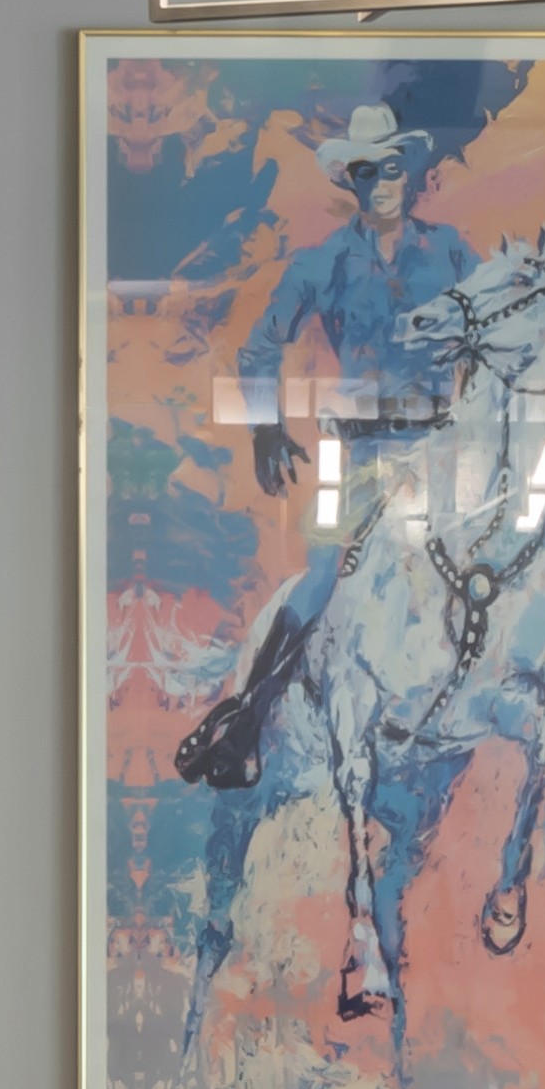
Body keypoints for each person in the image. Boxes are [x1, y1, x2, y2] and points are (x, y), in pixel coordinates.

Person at [175, 104, 473, 786]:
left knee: (508, 552)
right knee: (323, 573)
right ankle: (247, 721)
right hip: (355, 451)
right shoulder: (324, 262)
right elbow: (259, 346)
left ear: (408, 172)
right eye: (367, 172)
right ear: (352, 180)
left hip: (443, 448)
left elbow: (500, 321)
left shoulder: (453, 252)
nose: (382, 183)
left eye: (391, 169)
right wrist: (265, 426)